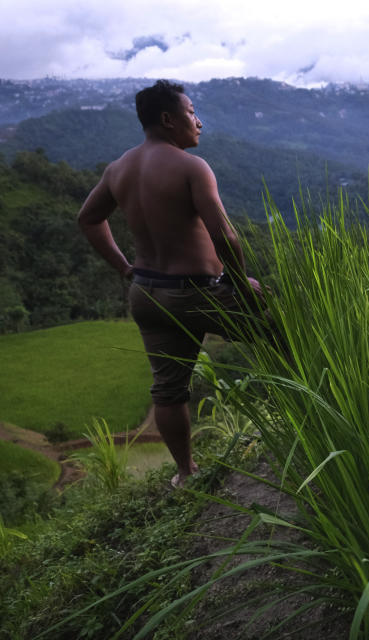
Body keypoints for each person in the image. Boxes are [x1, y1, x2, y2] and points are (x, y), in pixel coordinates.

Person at [77, 79, 266, 488]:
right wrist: (239, 284)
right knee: (288, 337)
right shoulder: (191, 167)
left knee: (168, 388)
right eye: (191, 112)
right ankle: (310, 429)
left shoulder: (118, 168)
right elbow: (226, 236)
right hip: (199, 293)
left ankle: (186, 473)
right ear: (168, 119)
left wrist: (124, 267)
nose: (198, 122)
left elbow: (88, 219)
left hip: (147, 292)